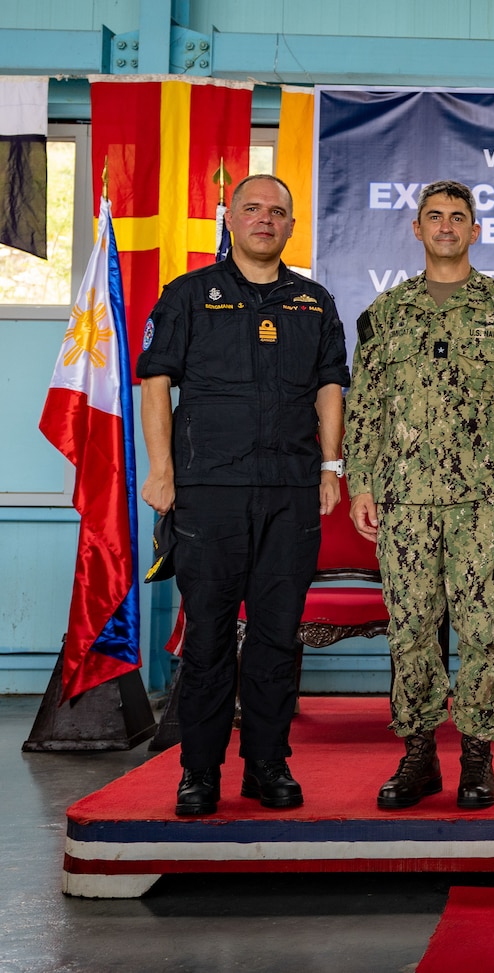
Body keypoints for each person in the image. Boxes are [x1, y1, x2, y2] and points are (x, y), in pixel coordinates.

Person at [137, 174, 348, 816]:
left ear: (291, 226)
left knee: (277, 637)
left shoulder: (314, 302)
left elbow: (330, 388)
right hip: (210, 491)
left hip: (290, 491)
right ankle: (198, 771)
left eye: (278, 211)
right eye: (252, 208)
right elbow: (155, 383)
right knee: (206, 638)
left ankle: (266, 764)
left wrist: (332, 467)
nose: (265, 219)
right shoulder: (189, 296)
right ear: (229, 219)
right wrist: (163, 470)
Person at [346, 180, 494, 811]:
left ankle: (478, 757)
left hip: (483, 498)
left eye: (459, 217)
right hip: (405, 499)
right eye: (435, 216)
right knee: (410, 631)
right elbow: (365, 408)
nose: (447, 226)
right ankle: (419, 755)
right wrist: (362, 485)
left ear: (475, 229)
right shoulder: (386, 313)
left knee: (483, 631)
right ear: (417, 229)